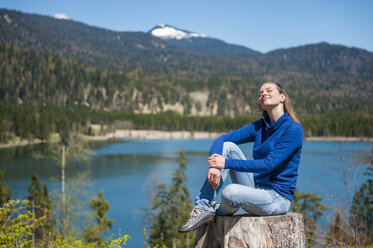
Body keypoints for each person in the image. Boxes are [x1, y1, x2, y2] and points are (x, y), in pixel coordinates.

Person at [178, 82, 303, 233]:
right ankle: (203, 207)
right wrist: (215, 166)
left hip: (276, 199)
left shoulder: (293, 129)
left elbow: (269, 164)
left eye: (269, 90)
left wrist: (226, 163)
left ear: (282, 97)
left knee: (230, 192)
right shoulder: (260, 127)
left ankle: (216, 213)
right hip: (256, 189)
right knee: (228, 147)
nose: (263, 94)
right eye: (260, 93)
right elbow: (221, 139)